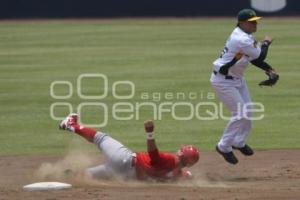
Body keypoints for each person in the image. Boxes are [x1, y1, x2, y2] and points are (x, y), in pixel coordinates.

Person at [210, 9, 279, 164]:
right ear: (242, 23)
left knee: (248, 111)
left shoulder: (245, 36)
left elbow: (254, 58)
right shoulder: (241, 38)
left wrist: (269, 70)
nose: (255, 24)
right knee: (240, 113)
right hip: (223, 81)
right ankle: (224, 146)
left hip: (237, 79)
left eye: (256, 21)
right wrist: (266, 42)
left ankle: (238, 142)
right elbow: (260, 55)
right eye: (252, 21)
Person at [59, 113, 200, 181]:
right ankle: (65, 176)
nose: (180, 150)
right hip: (125, 176)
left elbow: (153, 154)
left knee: (101, 138)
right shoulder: (176, 176)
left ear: (183, 155)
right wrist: (188, 175)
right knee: (86, 175)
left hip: (124, 161)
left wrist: (150, 133)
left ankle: (70, 125)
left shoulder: (170, 160)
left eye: (183, 150)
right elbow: (183, 174)